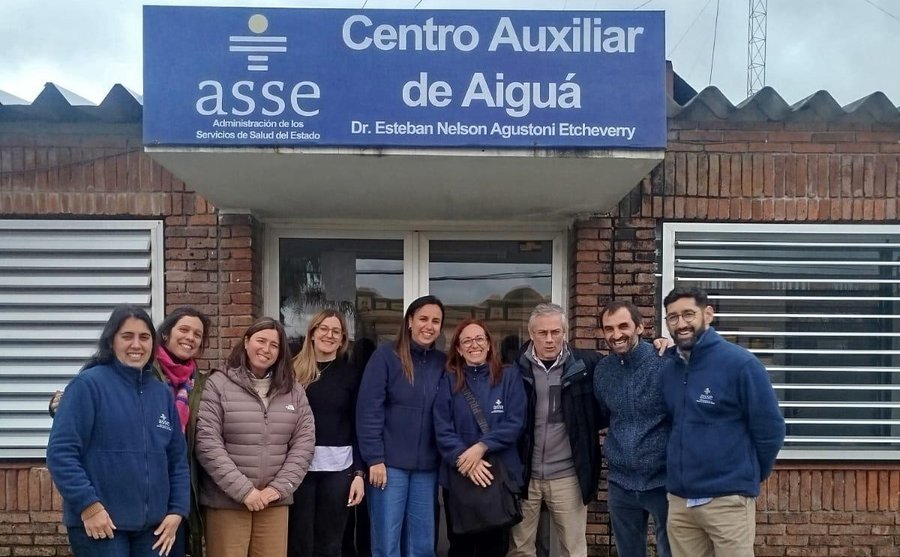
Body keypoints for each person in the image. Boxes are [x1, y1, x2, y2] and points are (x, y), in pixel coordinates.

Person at [50, 307, 212, 557]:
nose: (136, 344)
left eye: (144, 337)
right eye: (127, 336)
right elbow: (61, 454)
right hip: (103, 525)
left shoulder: (160, 394)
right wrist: (89, 506)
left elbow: (177, 461)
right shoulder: (88, 385)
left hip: (156, 529)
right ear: (111, 340)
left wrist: (177, 511)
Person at [661, 287, 785, 557]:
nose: (680, 323)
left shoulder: (741, 365)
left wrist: (747, 474)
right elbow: (674, 425)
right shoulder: (669, 369)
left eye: (688, 314)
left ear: (708, 314)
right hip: (681, 502)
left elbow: (770, 430)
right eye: (673, 317)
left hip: (727, 500)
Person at [195, 317, 316, 557]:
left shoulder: (293, 390)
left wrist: (278, 489)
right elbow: (207, 442)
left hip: (274, 503)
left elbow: (304, 444)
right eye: (261, 340)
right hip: (227, 502)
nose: (266, 349)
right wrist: (245, 492)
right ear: (247, 341)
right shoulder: (218, 383)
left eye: (274, 345)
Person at [507, 303, 602, 557]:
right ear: (531, 334)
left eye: (555, 332)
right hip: (525, 475)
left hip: (567, 475)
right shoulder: (514, 367)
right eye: (542, 333)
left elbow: (624, 365)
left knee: (573, 548)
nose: (549, 339)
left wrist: (660, 347)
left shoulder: (587, 364)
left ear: (565, 332)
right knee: (520, 549)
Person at [356, 295, 446, 557]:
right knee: (387, 543)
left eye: (436, 321)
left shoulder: (442, 362)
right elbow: (368, 409)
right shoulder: (386, 356)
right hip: (388, 467)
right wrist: (374, 458)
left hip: (426, 468)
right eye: (423, 319)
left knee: (422, 544)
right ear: (410, 321)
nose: (429, 326)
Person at [433, 319, 526, 557]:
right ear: (459, 349)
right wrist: (466, 461)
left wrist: (481, 447)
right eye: (467, 341)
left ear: (488, 344)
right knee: (461, 548)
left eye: (479, 339)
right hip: (460, 475)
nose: (474, 345)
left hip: (499, 476)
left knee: (494, 548)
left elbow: (515, 422)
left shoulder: (509, 375)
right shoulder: (449, 380)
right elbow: (442, 428)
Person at [593, 301, 671, 557]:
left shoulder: (664, 362)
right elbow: (604, 415)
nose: (616, 335)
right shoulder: (603, 370)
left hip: (663, 480)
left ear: (640, 326)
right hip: (621, 483)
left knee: (669, 551)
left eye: (623, 326)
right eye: (609, 328)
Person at [288, 310, 366, 557]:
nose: (329, 335)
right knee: (299, 540)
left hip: (338, 468)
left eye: (336, 331)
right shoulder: (292, 371)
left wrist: (359, 473)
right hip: (297, 468)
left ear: (343, 339)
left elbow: (359, 426)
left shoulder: (351, 374)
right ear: (312, 334)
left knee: (331, 543)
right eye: (323, 329)